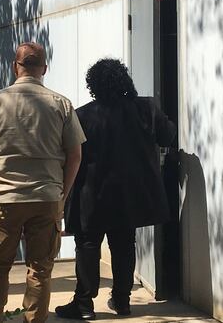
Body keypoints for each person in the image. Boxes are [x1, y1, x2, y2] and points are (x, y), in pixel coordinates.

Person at [0, 42, 86, 323]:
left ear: (15, 66)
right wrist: (62, 193)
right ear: (44, 68)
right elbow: (75, 155)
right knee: (40, 269)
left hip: (5, 197)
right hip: (46, 197)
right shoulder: (61, 104)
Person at [55, 58, 176, 320]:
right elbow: (168, 136)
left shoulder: (83, 115)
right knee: (124, 244)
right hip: (130, 194)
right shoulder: (146, 109)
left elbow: (70, 155)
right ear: (124, 79)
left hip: (92, 192)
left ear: (93, 85)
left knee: (87, 245)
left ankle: (84, 304)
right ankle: (122, 301)